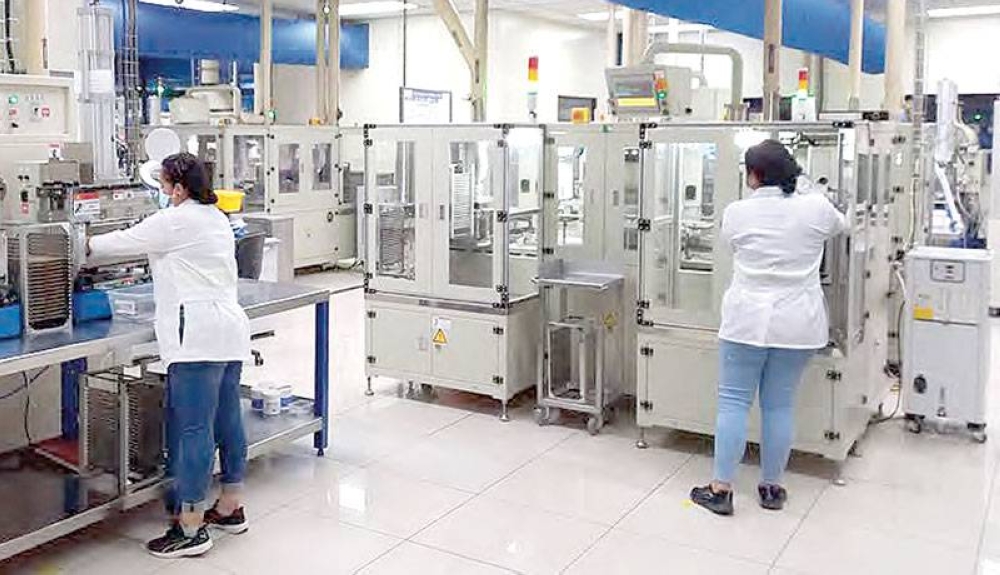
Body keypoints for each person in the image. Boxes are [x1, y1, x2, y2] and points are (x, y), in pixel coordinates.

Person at [88, 152, 252, 557]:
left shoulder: (173, 220)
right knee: (228, 421)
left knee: (194, 429)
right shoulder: (217, 217)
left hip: (196, 333)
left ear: (178, 189)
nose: (161, 192)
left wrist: (76, 242)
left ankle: (191, 528)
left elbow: (112, 245)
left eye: (162, 185)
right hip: (229, 328)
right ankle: (230, 507)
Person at [690, 140, 847, 516]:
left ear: (754, 176)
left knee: (733, 403)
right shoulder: (815, 208)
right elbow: (842, 224)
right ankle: (771, 488)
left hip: (746, 321)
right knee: (779, 405)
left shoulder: (737, 212)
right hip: (798, 324)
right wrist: (804, 186)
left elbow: (730, 245)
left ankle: (721, 490)